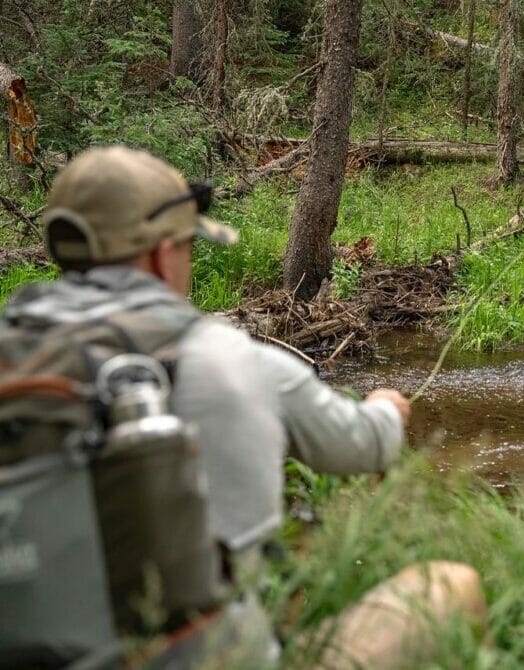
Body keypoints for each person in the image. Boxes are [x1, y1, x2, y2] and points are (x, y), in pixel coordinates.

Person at [0, 146, 485, 668]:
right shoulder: (237, 359)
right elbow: (367, 444)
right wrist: (388, 407)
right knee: (453, 587)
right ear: (164, 254)